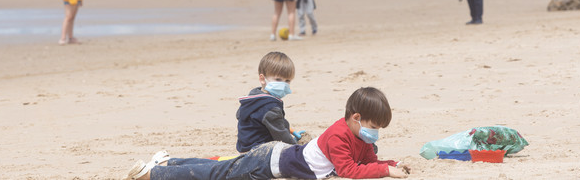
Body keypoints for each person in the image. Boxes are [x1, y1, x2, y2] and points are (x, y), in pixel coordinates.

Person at [124, 87, 411, 180]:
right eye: (373, 128)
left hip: (276, 156)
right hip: (268, 161)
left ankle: (169, 161)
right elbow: (349, 170)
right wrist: (385, 172)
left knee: (220, 166)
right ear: (356, 118)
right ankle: (152, 173)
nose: (374, 135)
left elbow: (366, 159)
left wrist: (391, 165)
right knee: (218, 174)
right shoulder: (338, 134)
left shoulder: (357, 135)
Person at [236, 52, 307, 152]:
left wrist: (290, 130)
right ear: (262, 79)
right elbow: (280, 134)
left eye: (287, 81)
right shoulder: (271, 106)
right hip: (260, 152)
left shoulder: (252, 98)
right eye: (278, 79)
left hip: (244, 149)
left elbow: (240, 116)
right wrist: (296, 148)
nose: (283, 84)